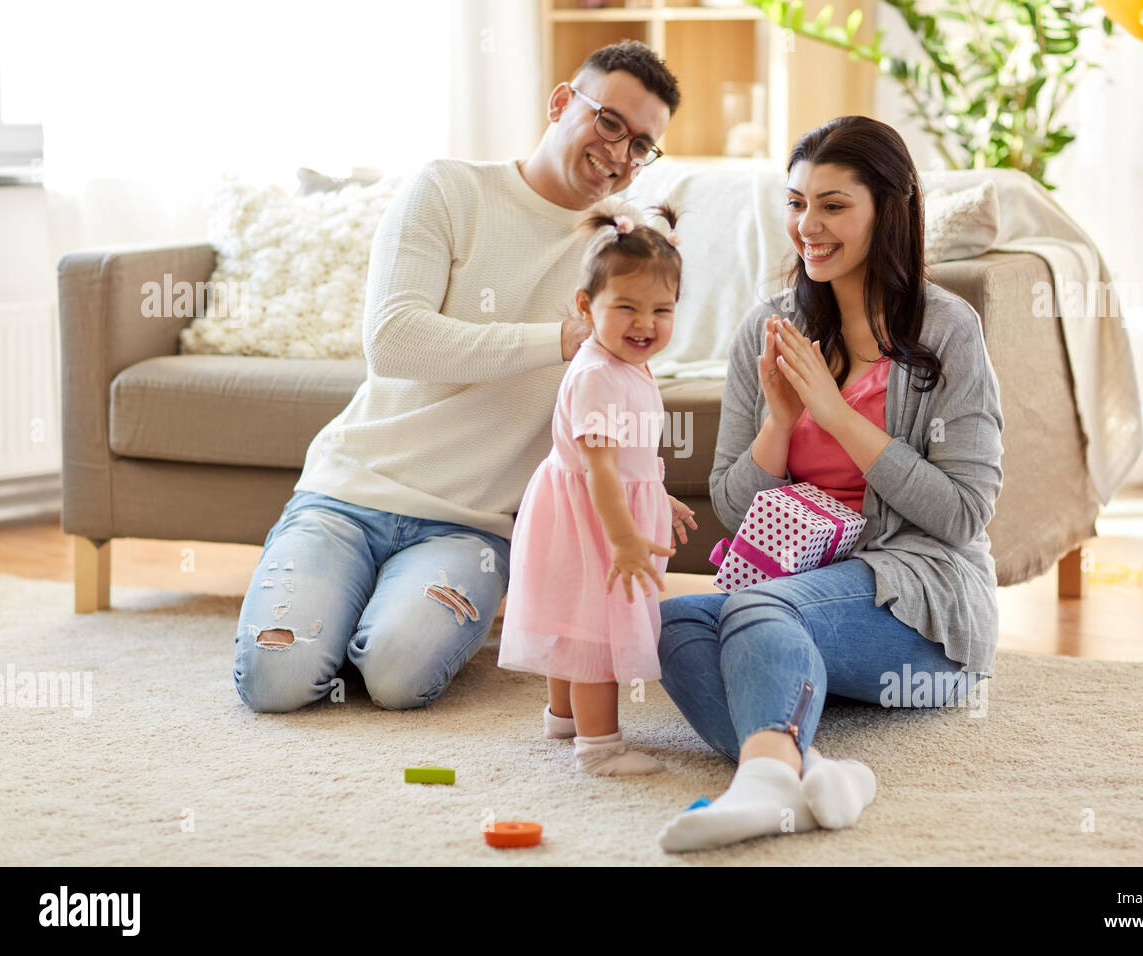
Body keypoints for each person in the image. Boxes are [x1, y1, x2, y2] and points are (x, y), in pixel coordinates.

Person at [232, 41, 681, 713]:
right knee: (278, 682)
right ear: (561, 103)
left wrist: (648, 484)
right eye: (609, 123)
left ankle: (374, 624)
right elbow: (393, 341)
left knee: (396, 676)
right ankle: (330, 613)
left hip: (470, 530)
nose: (620, 154)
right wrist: (557, 338)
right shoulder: (449, 188)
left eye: (641, 144)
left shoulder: (621, 248)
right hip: (348, 495)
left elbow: (620, 392)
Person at [655, 115, 1005, 852]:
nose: (806, 225)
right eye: (795, 202)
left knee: (750, 612)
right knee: (676, 625)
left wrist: (836, 413)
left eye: (833, 205)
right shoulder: (768, 330)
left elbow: (963, 513)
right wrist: (779, 426)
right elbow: (731, 506)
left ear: (889, 208)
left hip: (917, 598)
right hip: (795, 594)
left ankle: (759, 786)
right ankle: (810, 771)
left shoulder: (948, 330)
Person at [498, 201, 698, 776]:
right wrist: (626, 539)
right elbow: (602, 471)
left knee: (573, 617)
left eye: (661, 310)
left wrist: (657, 496)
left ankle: (563, 717)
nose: (645, 324)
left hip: (588, 509)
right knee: (594, 632)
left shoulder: (626, 366)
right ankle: (599, 747)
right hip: (592, 517)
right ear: (587, 307)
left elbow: (630, 456)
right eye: (626, 308)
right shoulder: (595, 376)